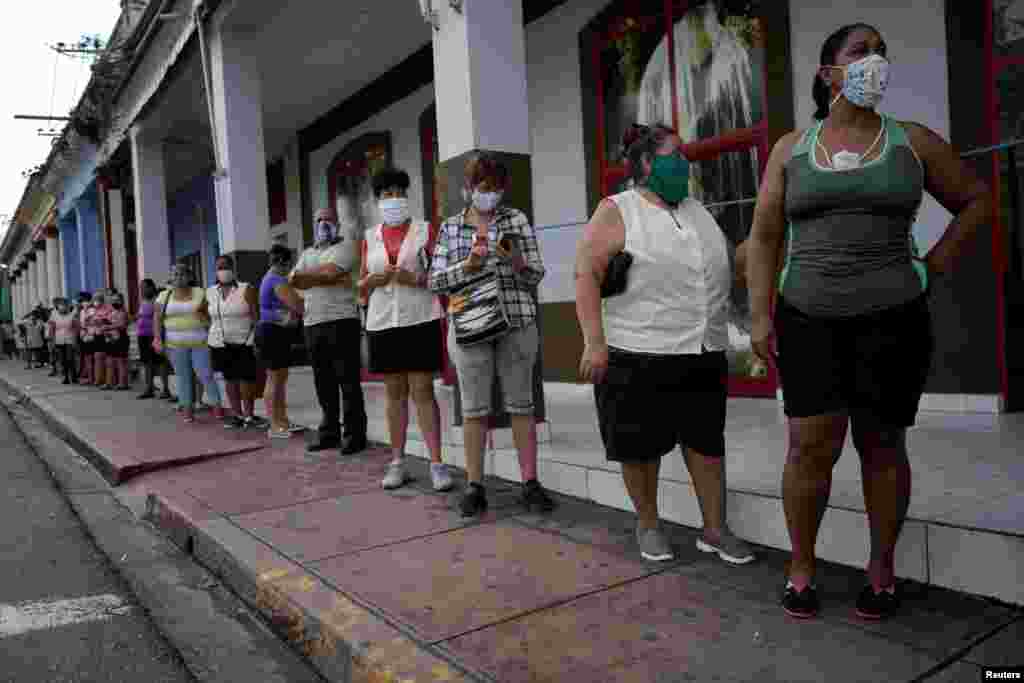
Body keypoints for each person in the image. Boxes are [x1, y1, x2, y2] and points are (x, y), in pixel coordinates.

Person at [745, 24, 993, 620]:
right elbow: (764, 236)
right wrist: (758, 316)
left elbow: (979, 201)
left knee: (883, 444)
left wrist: (932, 266)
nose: (874, 60)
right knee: (810, 447)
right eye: (861, 52)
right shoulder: (791, 149)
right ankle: (801, 565)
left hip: (893, 320)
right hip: (808, 318)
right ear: (829, 74)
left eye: (882, 50)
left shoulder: (913, 143)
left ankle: (881, 568)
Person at [575, 123, 756, 566]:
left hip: (701, 350)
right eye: (675, 154)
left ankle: (715, 529)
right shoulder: (618, 209)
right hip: (637, 351)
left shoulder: (698, 212)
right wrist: (593, 343)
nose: (685, 162)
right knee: (640, 448)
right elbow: (586, 273)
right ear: (647, 162)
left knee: (707, 444)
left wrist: (763, 240)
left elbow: (723, 267)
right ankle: (649, 524)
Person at [428, 153, 555, 517]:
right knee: (474, 409)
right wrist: (465, 265)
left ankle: (530, 483)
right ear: (469, 189)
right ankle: (474, 486)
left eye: (498, 187)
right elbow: (434, 279)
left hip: (515, 322)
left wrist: (518, 264)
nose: (492, 194)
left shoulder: (516, 219)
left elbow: (536, 274)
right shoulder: (451, 228)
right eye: (484, 187)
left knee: (521, 404)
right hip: (469, 326)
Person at [359, 167, 453, 492]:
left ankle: (437, 463)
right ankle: (397, 462)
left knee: (423, 391)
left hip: (420, 318)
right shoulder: (369, 237)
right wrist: (372, 281)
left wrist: (417, 279)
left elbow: (441, 275)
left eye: (399, 192)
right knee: (394, 394)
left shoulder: (426, 231)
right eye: (386, 194)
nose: (393, 199)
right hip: (383, 321)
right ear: (377, 200)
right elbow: (360, 288)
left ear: (406, 195)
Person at [289, 207, 368, 454]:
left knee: (348, 381)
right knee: (323, 382)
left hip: (342, 321)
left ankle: (354, 435)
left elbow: (332, 272)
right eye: (320, 220)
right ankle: (329, 433)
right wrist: (321, 276)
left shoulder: (346, 247)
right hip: (313, 323)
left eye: (329, 220)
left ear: (337, 224)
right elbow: (294, 280)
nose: (324, 224)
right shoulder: (308, 253)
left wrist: (311, 276)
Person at [153, 261, 225, 423]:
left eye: (182, 274)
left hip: (200, 343)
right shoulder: (164, 296)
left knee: (206, 375)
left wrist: (206, 322)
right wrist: (157, 338)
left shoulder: (200, 293)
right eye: (175, 274)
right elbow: (157, 319)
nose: (178, 277)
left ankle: (217, 407)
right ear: (171, 278)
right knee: (183, 377)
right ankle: (187, 410)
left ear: (189, 277)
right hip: (175, 345)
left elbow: (210, 315)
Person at [204, 255, 268, 430]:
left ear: (233, 269)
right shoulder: (210, 291)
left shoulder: (246, 289)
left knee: (246, 379)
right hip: (219, 343)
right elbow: (204, 314)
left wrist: (256, 341)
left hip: (244, 341)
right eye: (219, 267)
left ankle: (249, 415)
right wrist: (209, 330)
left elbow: (256, 318)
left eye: (225, 266)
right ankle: (236, 415)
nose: (222, 270)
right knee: (229, 379)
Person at [257, 244, 305, 438]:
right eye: (288, 264)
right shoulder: (276, 280)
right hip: (271, 333)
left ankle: (282, 420)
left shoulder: (272, 278)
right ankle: (274, 425)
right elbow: (297, 305)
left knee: (280, 379)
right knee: (274, 378)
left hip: (277, 332)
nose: (289, 269)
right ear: (283, 263)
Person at [136, 279, 174, 400]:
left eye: (144, 287)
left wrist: (159, 337)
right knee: (146, 363)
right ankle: (149, 388)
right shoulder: (143, 301)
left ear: (151, 288)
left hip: (154, 336)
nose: (141, 290)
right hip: (142, 335)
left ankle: (165, 389)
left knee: (160, 363)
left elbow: (160, 318)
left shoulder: (158, 300)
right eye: (140, 287)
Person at [104, 291, 131, 390]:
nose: (115, 302)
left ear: (122, 301)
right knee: (109, 361)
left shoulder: (124, 312)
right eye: (113, 300)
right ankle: (109, 382)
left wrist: (109, 326)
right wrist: (105, 326)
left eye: (117, 300)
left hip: (121, 338)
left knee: (121, 361)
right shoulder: (111, 312)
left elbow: (122, 325)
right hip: (110, 338)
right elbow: (107, 322)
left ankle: (123, 383)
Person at [48, 298, 78, 384]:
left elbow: (76, 328)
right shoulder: (54, 315)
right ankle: (65, 377)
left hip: (70, 339)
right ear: (58, 307)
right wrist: (52, 340)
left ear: (67, 306)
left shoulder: (72, 315)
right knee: (62, 360)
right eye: (61, 305)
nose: (62, 307)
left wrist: (75, 339)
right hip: (59, 340)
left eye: (64, 305)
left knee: (70, 358)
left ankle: (73, 376)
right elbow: (52, 329)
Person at [89, 290, 112, 388]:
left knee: (106, 358)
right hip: (96, 335)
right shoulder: (94, 310)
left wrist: (102, 320)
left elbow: (109, 320)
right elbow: (91, 321)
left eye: (97, 300)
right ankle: (98, 379)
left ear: (102, 300)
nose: (96, 302)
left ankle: (107, 380)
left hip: (105, 335)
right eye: (94, 300)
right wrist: (91, 321)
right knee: (97, 357)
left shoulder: (108, 308)